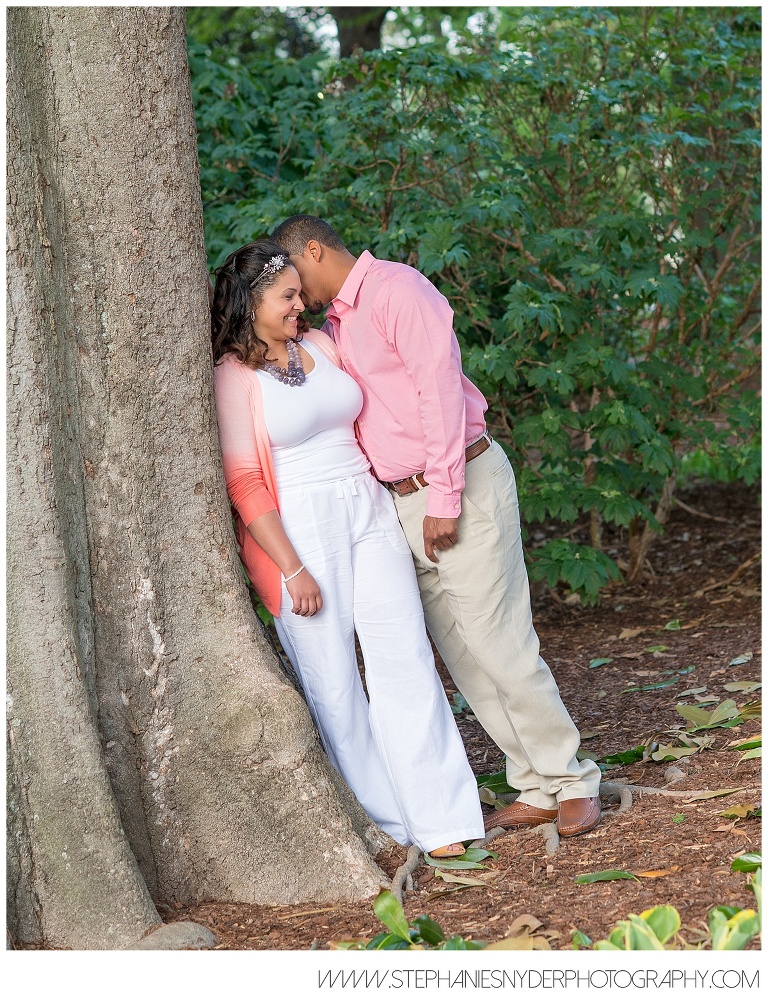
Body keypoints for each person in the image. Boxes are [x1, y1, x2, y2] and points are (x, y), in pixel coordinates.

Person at [271, 216, 602, 838]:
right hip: (397, 501)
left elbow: (439, 394)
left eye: (297, 274)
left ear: (314, 249)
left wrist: (445, 497)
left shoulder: (400, 291)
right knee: (463, 653)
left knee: (499, 641)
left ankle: (571, 778)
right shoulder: (334, 324)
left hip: (458, 483)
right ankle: (533, 782)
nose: (296, 291)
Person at [210, 238, 485, 858]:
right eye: (287, 297)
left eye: (299, 294)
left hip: (366, 504)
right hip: (298, 530)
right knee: (334, 683)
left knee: (404, 656)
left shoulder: (321, 344)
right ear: (251, 303)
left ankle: (441, 820)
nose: (300, 304)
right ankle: (385, 824)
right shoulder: (232, 376)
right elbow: (246, 483)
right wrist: (292, 567)